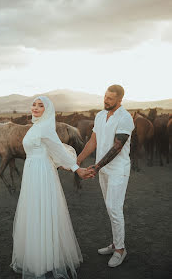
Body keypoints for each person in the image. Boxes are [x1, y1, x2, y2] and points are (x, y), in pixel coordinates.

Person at [10, 95, 94, 279]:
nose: (36, 108)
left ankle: (47, 260)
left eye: (40, 106)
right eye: (34, 105)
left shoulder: (46, 127)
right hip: (32, 171)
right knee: (34, 212)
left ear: (47, 110)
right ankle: (37, 257)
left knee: (43, 212)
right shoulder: (35, 127)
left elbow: (57, 150)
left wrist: (76, 169)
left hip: (41, 174)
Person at [77, 85, 134, 268]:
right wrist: (77, 161)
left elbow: (117, 147)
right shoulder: (100, 116)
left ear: (120, 100)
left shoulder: (125, 118)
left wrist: (97, 166)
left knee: (114, 208)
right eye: (105, 97)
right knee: (111, 209)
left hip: (118, 170)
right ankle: (116, 243)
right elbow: (93, 141)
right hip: (103, 170)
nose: (106, 100)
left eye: (110, 98)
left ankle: (120, 250)